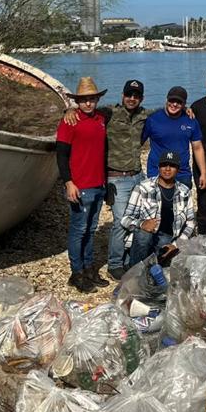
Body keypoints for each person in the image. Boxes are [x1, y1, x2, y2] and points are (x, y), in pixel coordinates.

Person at [60, 78, 152, 280]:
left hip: (133, 176)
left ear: (141, 98)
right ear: (122, 95)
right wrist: (67, 111)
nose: (132, 98)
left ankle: (121, 261)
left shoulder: (140, 116)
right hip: (114, 178)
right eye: (128, 94)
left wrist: (190, 111)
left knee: (118, 223)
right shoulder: (109, 114)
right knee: (115, 223)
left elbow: (166, 115)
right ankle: (107, 265)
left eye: (136, 96)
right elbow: (64, 148)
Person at [55, 77, 110, 292]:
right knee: (79, 230)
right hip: (80, 185)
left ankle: (88, 269)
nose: (88, 103)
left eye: (92, 99)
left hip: (98, 184)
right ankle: (76, 272)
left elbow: (115, 110)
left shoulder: (101, 118)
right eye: (84, 100)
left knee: (91, 229)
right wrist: (69, 182)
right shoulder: (69, 122)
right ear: (77, 101)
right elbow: (61, 155)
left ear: (97, 99)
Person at [121, 150, 197, 269]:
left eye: (172, 166)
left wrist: (176, 244)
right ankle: (135, 272)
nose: (167, 169)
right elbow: (125, 219)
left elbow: (191, 222)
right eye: (164, 165)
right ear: (158, 167)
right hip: (145, 239)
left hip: (168, 239)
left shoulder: (184, 192)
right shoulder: (142, 188)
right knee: (143, 235)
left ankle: (153, 266)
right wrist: (142, 224)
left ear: (178, 169)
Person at [140, 86, 206, 190]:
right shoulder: (153, 120)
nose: (175, 104)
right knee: (156, 206)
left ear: (184, 104)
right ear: (166, 100)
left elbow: (198, 148)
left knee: (182, 206)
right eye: (172, 100)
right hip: (156, 173)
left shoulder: (191, 120)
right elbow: (138, 143)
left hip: (182, 174)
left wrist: (203, 173)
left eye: (179, 102)